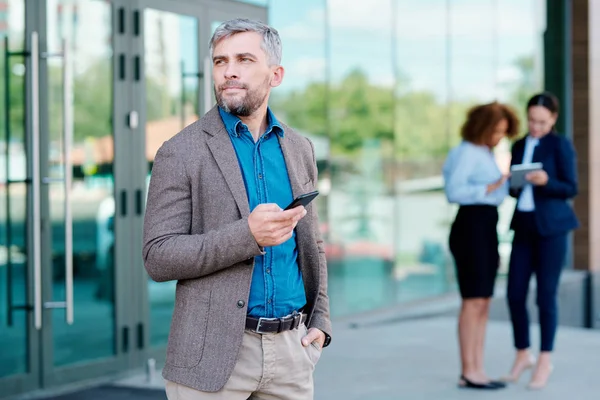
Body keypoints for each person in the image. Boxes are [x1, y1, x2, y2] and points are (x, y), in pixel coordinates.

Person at [142, 18, 331, 400]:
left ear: (275, 74)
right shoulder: (180, 151)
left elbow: (312, 244)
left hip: (292, 354)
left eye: (244, 59)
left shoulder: (299, 148)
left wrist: (321, 319)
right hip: (210, 360)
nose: (229, 71)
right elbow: (157, 257)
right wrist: (246, 236)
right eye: (219, 61)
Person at [502, 92, 578, 390]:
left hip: (551, 229)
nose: (536, 127)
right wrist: (513, 182)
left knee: (546, 296)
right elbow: (513, 190)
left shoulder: (560, 144)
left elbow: (571, 187)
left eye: (542, 122)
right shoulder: (520, 144)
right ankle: (523, 354)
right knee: (514, 293)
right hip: (523, 226)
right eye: (532, 121)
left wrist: (546, 181)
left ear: (553, 119)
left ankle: (545, 359)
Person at [443, 102, 520, 390]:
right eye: (496, 131)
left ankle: (478, 368)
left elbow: (495, 195)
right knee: (472, 301)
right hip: (470, 227)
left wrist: (504, 183)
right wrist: (489, 187)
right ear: (483, 128)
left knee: (484, 301)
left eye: (503, 133)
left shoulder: (485, 152)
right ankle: (468, 371)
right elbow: (454, 191)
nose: (499, 137)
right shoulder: (466, 152)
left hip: (486, 226)